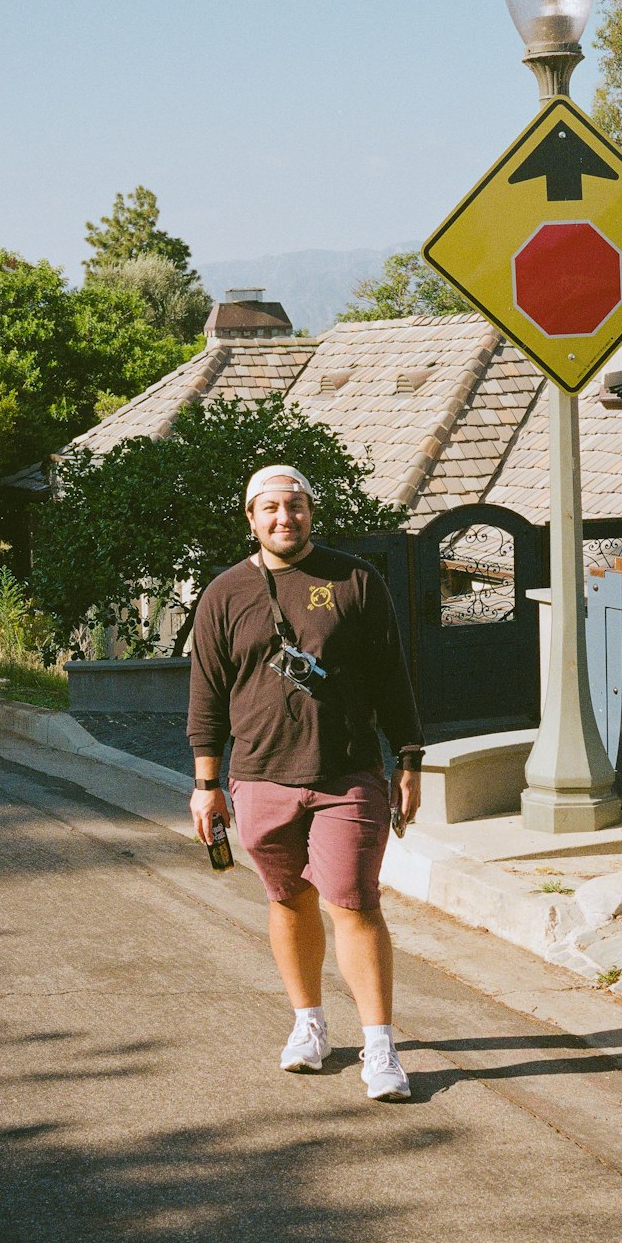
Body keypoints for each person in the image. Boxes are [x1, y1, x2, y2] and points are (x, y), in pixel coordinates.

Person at [187, 464, 424, 1101]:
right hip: (260, 775)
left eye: (294, 506)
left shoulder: (355, 580)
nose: (283, 518)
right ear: (250, 517)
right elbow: (207, 695)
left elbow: (391, 677)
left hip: (346, 772)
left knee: (354, 901)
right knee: (289, 899)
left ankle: (380, 1047)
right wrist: (207, 784)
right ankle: (309, 1025)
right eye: (270, 508)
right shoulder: (225, 594)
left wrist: (408, 759)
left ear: (310, 512)